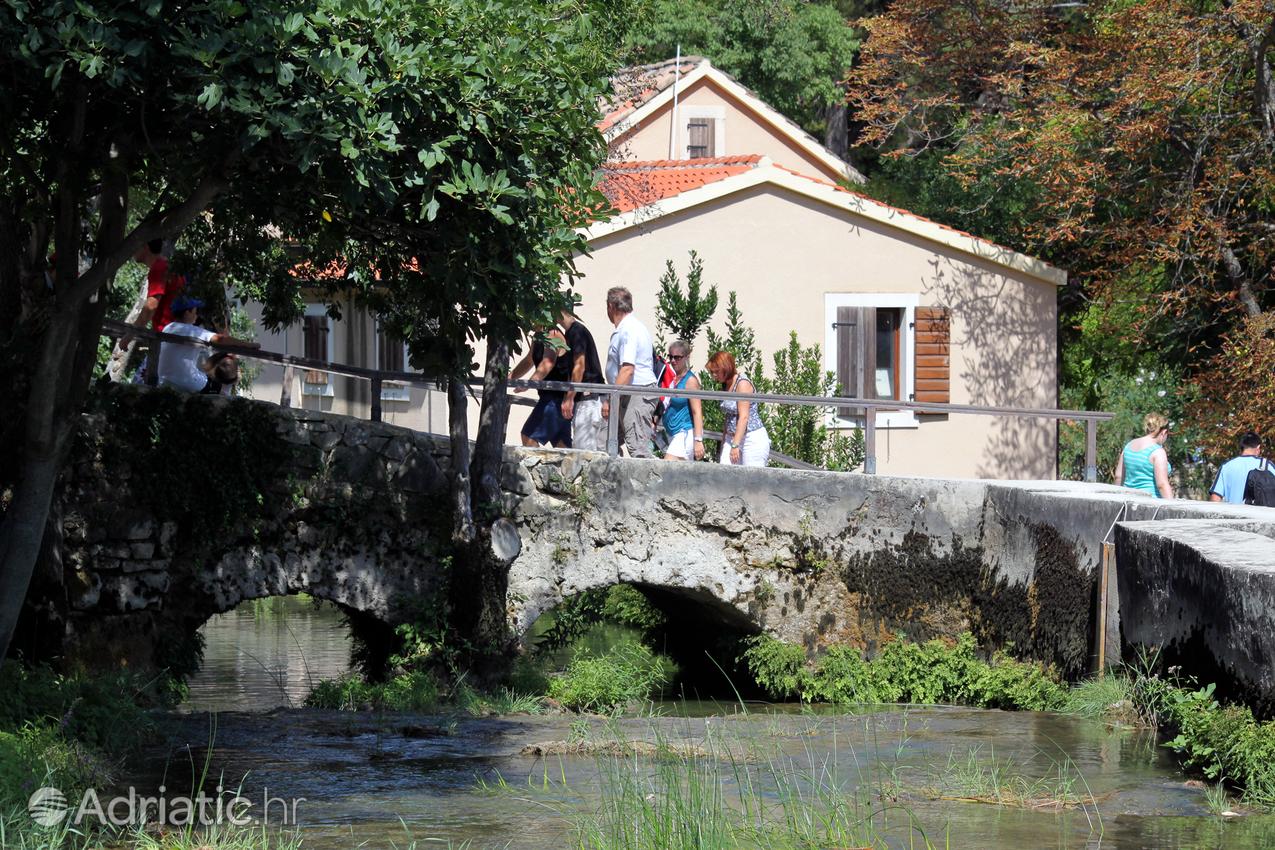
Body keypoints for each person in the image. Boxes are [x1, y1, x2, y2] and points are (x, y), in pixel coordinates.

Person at [157, 295, 259, 393]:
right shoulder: (190, 330)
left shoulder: (169, 327)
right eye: (196, 311)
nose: (197, 316)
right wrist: (248, 345)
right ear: (188, 312)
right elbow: (220, 339)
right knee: (223, 386)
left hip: (164, 379)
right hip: (185, 381)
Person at [602, 287, 658, 458]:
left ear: (611, 306)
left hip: (636, 393)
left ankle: (653, 483)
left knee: (637, 449)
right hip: (627, 393)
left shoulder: (629, 329)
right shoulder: (628, 328)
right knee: (605, 443)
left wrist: (611, 399)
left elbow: (627, 369)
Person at [511, 325, 572, 448]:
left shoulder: (553, 334)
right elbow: (529, 360)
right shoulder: (538, 335)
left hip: (555, 400)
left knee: (529, 435)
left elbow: (548, 362)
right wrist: (510, 377)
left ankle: (534, 467)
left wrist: (529, 383)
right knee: (562, 446)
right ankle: (569, 468)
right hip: (550, 399)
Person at [706, 350, 770, 467]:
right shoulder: (725, 385)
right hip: (732, 437)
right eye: (712, 372)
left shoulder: (742, 384)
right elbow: (728, 417)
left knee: (751, 479)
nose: (714, 375)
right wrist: (724, 440)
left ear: (726, 368)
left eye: (716, 371)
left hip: (751, 438)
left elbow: (744, 417)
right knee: (725, 474)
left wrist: (735, 445)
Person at [558, 309, 606, 452]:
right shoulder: (573, 332)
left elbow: (580, 365)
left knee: (584, 456)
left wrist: (569, 397)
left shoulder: (576, 332)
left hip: (588, 400)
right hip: (588, 399)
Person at [661, 339, 704, 461]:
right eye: (671, 357)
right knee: (678, 477)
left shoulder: (690, 381)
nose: (673, 361)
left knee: (667, 468)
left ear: (686, 357)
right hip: (672, 433)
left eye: (677, 357)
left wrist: (698, 440)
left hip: (684, 432)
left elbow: (697, 412)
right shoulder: (672, 379)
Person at [1114, 412, 1174, 499]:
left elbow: (1118, 477)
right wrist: (1172, 506)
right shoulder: (1158, 452)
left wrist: (1116, 498)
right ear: (1164, 432)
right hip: (1151, 503)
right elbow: (1162, 484)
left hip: (1127, 500)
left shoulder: (1129, 445)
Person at [1210, 432, 1270, 504]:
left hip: (1233, 514)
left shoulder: (1227, 466)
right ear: (1258, 447)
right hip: (1259, 514)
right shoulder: (1266, 465)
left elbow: (1215, 499)